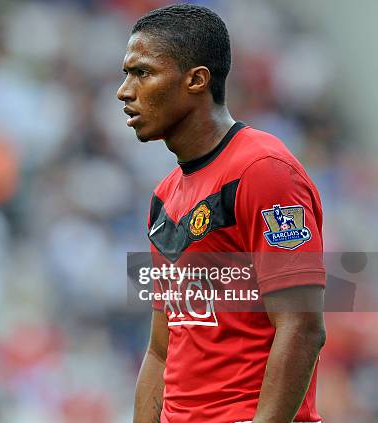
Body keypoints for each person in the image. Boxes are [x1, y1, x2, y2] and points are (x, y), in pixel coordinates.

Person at [117, 4, 326, 423]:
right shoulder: (165, 196)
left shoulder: (264, 171)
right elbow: (162, 349)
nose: (124, 90)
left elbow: (302, 326)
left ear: (196, 80)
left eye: (142, 73)